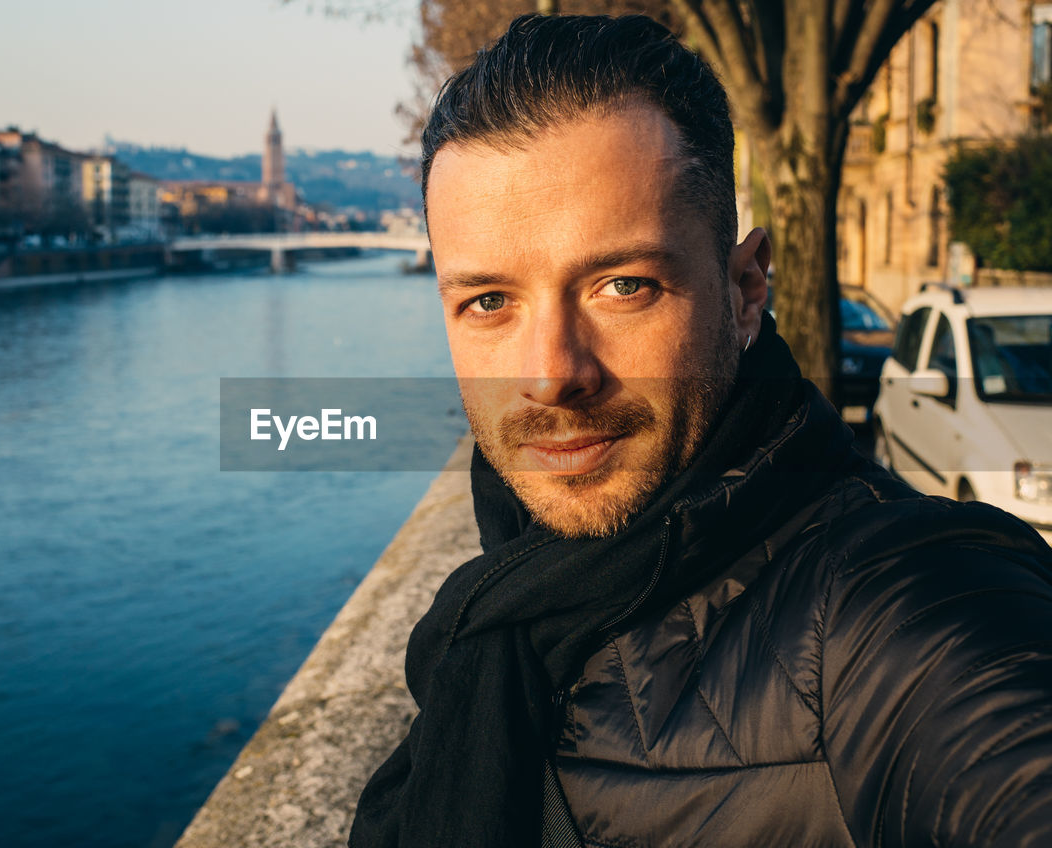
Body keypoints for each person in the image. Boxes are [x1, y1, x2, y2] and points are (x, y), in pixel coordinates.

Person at [349, 13, 1052, 848]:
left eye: (622, 285)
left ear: (747, 289)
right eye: (489, 302)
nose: (549, 373)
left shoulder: (899, 601)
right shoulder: (504, 609)